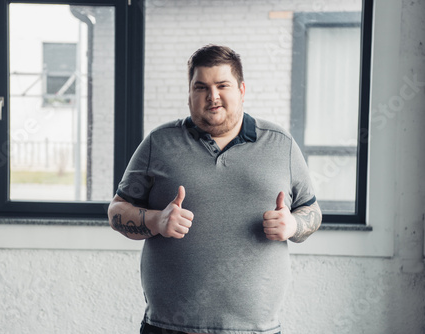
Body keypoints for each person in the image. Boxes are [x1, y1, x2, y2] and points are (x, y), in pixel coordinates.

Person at [108, 44, 322, 334]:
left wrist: (293, 224)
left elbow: (313, 212)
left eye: (223, 85)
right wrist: (156, 221)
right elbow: (117, 211)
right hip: (167, 327)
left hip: (256, 329)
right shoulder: (158, 143)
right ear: (189, 95)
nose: (213, 96)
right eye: (201, 87)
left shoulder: (280, 144)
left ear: (242, 90)